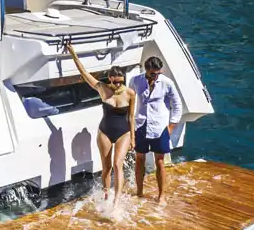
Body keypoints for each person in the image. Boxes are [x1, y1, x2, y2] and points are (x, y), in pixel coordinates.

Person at [66, 43, 136, 204]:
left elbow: (131, 117)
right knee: (106, 168)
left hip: (124, 132)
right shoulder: (102, 88)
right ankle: (106, 196)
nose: (118, 85)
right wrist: (73, 53)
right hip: (105, 131)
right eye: (116, 82)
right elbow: (84, 73)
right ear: (110, 79)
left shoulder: (130, 93)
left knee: (118, 164)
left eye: (121, 82)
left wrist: (133, 138)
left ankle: (116, 201)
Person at [129, 56, 183, 201]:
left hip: (160, 126)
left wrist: (171, 126)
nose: (156, 76)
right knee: (139, 159)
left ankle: (161, 195)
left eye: (158, 73)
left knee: (160, 161)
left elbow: (177, 104)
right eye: (153, 73)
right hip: (141, 124)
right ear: (146, 70)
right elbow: (129, 100)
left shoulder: (167, 83)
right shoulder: (135, 80)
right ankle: (139, 192)